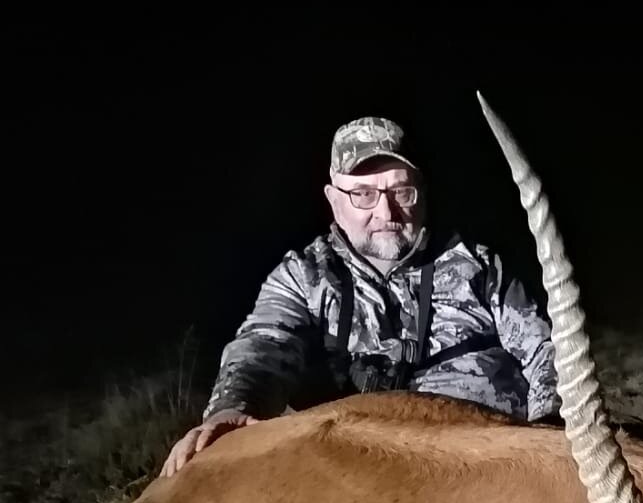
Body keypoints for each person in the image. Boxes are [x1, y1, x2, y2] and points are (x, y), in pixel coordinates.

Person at [162, 116, 560, 477]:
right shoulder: (303, 277)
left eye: (401, 191)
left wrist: (551, 431)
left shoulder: (481, 267)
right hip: (353, 478)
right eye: (363, 195)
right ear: (334, 200)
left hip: (488, 468)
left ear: (421, 192)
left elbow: (545, 349)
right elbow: (264, 345)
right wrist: (235, 407)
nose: (387, 213)